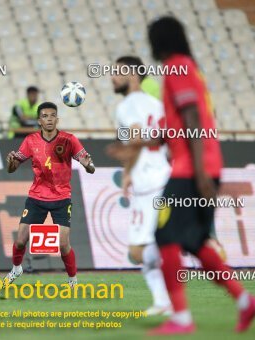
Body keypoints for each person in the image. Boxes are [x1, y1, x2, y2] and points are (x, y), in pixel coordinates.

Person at [143, 16, 255, 334]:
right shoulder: (188, 67)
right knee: (195, 241)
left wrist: (198, 173)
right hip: (205, 166)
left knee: (165, 235)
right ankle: (245, 301)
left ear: (159, 40)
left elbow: (193, 116)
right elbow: (181, 121)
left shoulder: (176, 67)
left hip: (191, 170)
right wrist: (150, 139)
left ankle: (181, 318)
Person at [106, 55, 172, 316]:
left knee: (137, 250)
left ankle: (164, 299)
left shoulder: (127, 106)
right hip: (164, 175)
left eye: (118, 72)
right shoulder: (156, 104)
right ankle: (163, 301)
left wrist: (127, 173)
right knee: (149, 246)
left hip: (147, 183)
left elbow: (132, 138)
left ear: (133, 75)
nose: (112, 76)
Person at [4, 102, 95, 287]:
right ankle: (16, 269)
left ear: (57, 119)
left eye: (53, 115)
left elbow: (90, 167)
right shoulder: (30, 141)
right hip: (37, 197)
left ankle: (72, 280)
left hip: (61, 198)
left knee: (62, 244)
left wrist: (88, 165)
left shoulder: (69, 140)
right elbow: (12, 169)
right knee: (20, 240)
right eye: (45, 116)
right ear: (39, 120)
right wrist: (11, 162)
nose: (49, 119)